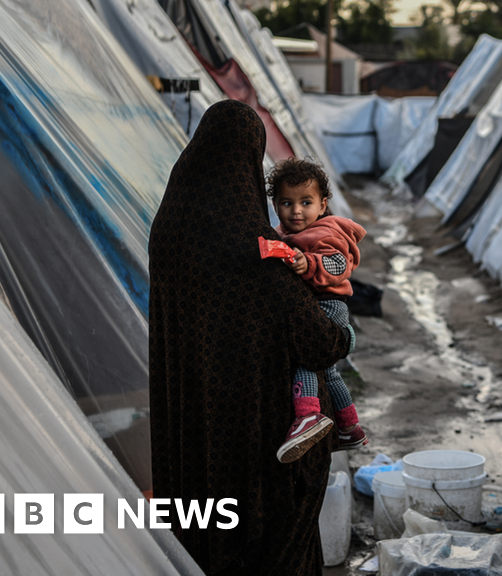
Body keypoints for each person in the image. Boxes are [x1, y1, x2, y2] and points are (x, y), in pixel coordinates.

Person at [148, 100, 352, 575]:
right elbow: (320, 342)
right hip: (257, 448)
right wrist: (343, 333)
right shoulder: (254, 248)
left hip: (189, 434)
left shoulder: (169, 232)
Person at [267, 157, 368, 463]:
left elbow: (338, 265)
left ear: (323, 205)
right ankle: (349, 426)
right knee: (328, 369)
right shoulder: (280, 233)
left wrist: (308, 263)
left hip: (328, 304)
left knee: (305, 355)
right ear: (274, 204)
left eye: (305, 202)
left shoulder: (326, 232)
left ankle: (308, 415)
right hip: (318, 305)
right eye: (286, 202)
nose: (296, 210)